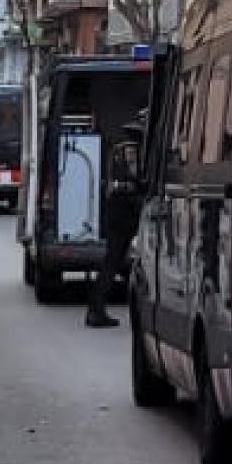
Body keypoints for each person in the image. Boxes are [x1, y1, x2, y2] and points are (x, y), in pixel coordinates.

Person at [86, 118, 146, 328]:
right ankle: (96, 309)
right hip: (128, 209)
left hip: (116, 208)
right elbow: (139, 180)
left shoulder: (120, 149)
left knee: (113, 261)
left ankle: (96, 308)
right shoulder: (139, 152)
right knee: (119, 261)